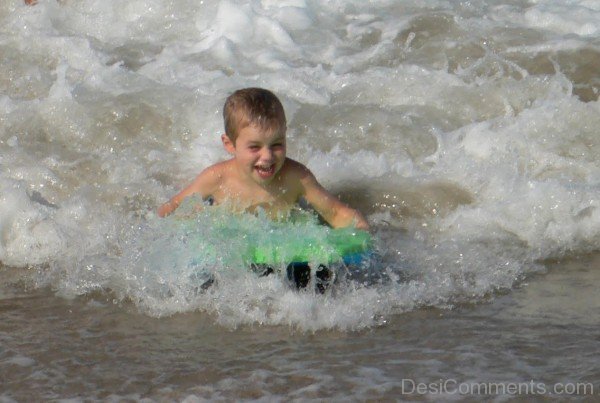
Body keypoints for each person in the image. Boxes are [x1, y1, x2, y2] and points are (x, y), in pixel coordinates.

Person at [158, 87, 369, 231]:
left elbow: (335, 212)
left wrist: (360, 230)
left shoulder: (296, 177)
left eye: (277, 144)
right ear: (230, 145)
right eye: (254, 147)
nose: (268, 156)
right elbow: (175, 207)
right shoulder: (217, 178)